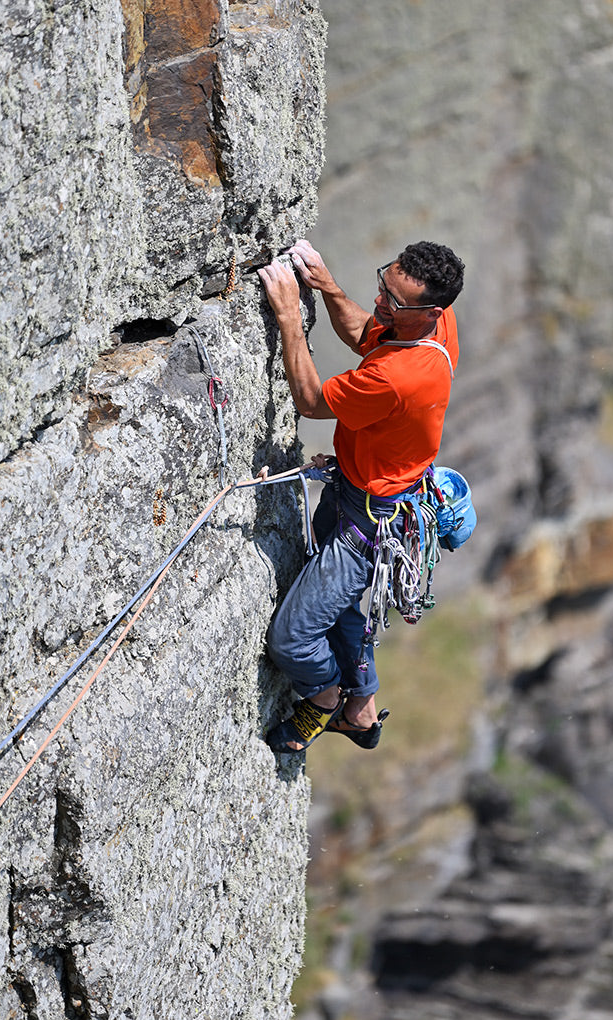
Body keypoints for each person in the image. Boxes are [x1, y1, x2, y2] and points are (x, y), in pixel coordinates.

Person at [258, 238, 465, 753]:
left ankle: (326, 697)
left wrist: (289, 317)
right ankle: (361, 710)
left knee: (294, 637)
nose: (381, 302)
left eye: (394, 300)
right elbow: (367, 334)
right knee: (345, 610)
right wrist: (327, 286)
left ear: (430, 312)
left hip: (366, 522)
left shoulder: (397, 378)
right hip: (369, 492)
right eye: (383, 284)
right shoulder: (431, 328)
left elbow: (309, 400)